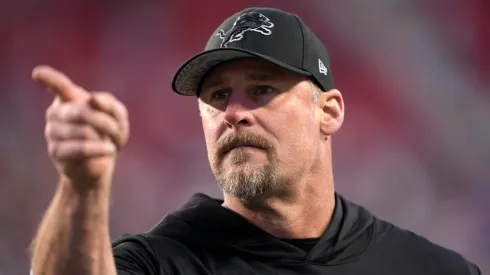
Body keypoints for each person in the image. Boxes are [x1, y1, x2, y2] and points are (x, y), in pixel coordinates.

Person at [29, 7, 481, 275]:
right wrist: (81, 186)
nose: (233, 113)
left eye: (262, 90)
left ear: (329, 112)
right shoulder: (165, 261)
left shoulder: (428, 269)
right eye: (218, 96)